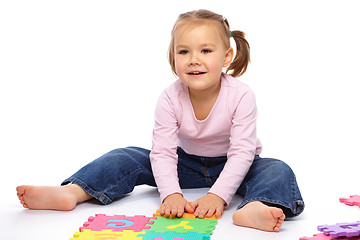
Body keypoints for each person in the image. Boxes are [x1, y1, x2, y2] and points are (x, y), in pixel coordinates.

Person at [16, 9, 304, 232]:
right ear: (173, 57)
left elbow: (242, 152)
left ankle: (255, 206)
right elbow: (163, 151)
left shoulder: (241, 95)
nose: (194, 59)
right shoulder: (169, 98)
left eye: (206, 51)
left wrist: (218, 196)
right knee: (126, 156)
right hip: (186, 164)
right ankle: (74, 192)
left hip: (238, 167)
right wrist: (171, 194)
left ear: (227, 55)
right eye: (184, 51)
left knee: (276, 169)